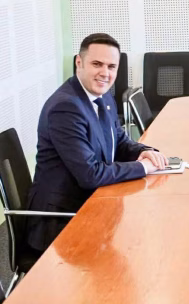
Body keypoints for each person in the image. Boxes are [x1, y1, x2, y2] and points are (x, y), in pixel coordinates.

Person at [27, 33, 168, 253]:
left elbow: (119, 140)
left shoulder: (103, 96)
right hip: (61, 220)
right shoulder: (66, 108)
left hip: (93, 203)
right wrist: (142, 167)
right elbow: (90, 174)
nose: (105, 73)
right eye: (97, 64)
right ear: (79, 62)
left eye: (112, 67)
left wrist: (144, 152)